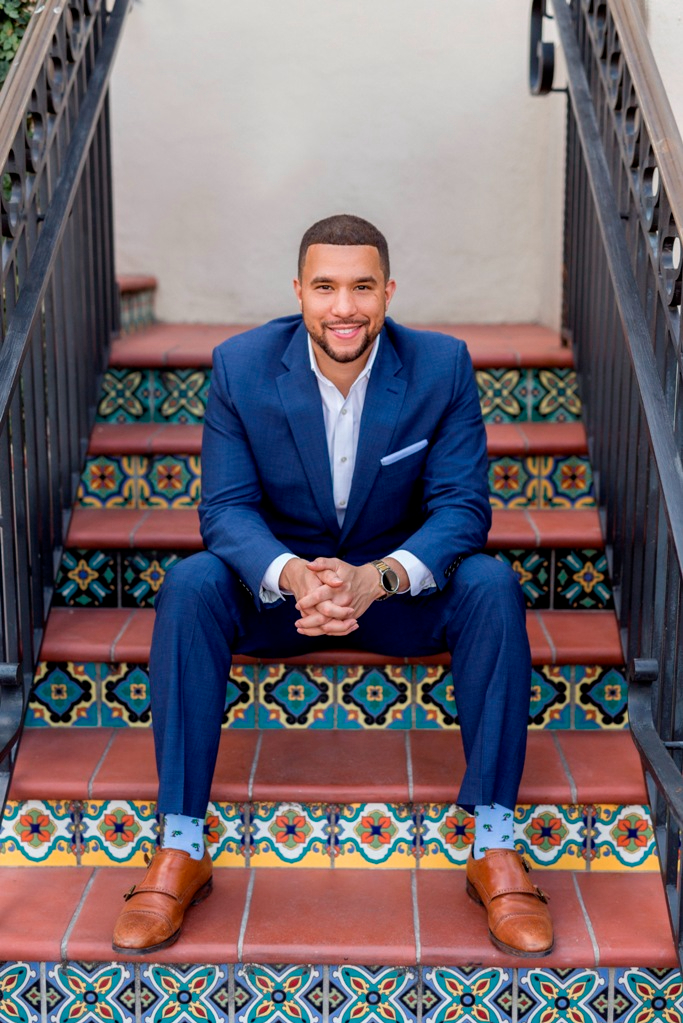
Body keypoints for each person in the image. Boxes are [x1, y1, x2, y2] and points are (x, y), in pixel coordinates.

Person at [112, 214, 553, 958]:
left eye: (361, 287)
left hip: (394, 596)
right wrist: (293, 576)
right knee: (189, 584)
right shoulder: (241, 366)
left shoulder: (440, 366)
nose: (343, 307)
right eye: (324, 287)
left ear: (388, 292)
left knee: (492, 585)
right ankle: (180, 843)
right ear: (298, 292)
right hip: (283, 600)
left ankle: (495, 843)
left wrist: (376, 578)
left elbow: (462, 508)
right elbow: (225, 511)